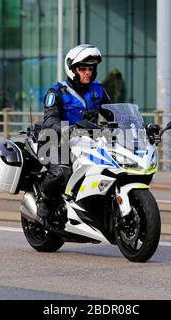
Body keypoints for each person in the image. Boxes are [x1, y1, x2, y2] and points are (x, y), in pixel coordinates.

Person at [37, 44, 112, 226]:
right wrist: (65, 129)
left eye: (91, 68)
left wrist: (136, 125)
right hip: (56, 141)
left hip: (86, 143)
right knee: (62, 172)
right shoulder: (57, 92)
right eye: (83, 69)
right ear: (72, 70)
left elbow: (113, 112)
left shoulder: (98, 90)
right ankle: (44, 199)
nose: (87, 72)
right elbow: (50, 119)